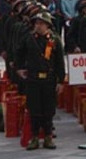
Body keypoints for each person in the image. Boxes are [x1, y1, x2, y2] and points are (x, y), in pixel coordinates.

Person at [16, 13, 65, 150]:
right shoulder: (29, 38)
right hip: (33, 78)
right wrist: (19, 69)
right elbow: (18, 53)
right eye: (36, 23)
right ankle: (35, 137)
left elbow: (60, 62)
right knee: (34, 109)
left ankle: (48, 137)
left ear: (48, 25)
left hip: (49, 79)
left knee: (48, 109)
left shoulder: (54, 40)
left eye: (41, 23)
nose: (38, 26)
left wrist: (61, 81)